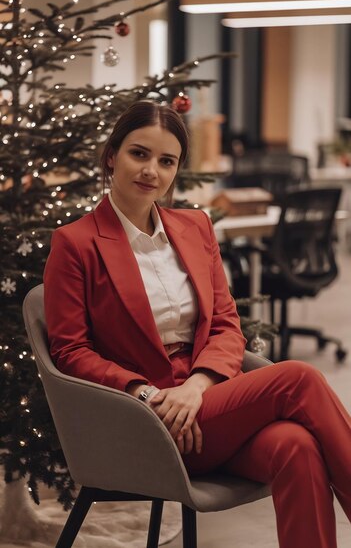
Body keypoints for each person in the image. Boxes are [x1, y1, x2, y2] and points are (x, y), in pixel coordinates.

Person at [44, 99, 351, 548]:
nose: (152, 170)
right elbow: (70, 351)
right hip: (149, 417)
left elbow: (227, 324)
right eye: (139, 153)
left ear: (177, 170)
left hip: (207, 402)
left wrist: (198, 385)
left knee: (297, 446)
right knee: (298, 378)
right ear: (112, 155)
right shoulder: (75, 243)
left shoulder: (195, 227)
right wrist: (142, 391)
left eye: (166, 161)